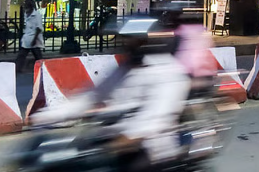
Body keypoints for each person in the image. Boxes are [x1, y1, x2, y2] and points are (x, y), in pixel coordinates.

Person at [34, 17, 193, 170]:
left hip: (149, 149)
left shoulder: (168, 73)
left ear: (146, 41)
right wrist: (48, 115)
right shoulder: (124, 69)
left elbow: (154, 118)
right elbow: (93, 95)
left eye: (132, 39)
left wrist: (126, 139)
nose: (127, 44)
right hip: (112, 140)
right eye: (125, 39)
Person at [15, 0, 44, 73]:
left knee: (38, 56)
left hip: (34, 38)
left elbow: (39, 28)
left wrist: (34, 39)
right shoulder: (26, 14)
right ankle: (17, 69)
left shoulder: (37, 15)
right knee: (22, 55)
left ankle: (42, 69)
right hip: (27, 38)